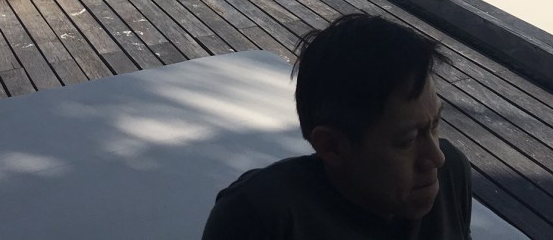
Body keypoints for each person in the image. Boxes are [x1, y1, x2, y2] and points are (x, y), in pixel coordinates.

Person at [201, 13, 473, 239]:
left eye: (434, 125)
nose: (436, 157)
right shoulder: (260, 219)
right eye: (407, 140)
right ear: (331, 146)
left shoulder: (451, 175)